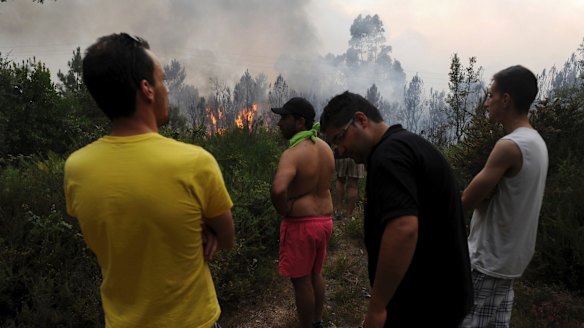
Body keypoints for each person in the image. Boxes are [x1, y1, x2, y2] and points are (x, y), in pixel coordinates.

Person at [64, 33, 235, 328]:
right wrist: (203, 228)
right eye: (163, 80)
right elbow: (228, 238)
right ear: (147, 89)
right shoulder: (194, 163)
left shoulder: (76, 168)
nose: (166, 88)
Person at [320, 91, 473, 327]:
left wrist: (378, 307)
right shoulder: (407, 145)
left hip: (425, 307)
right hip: (441, 298)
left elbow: (403, 228)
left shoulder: (389, 156)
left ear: (361, 120)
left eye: (340, 138)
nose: (339, 150)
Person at [460, 65, 548, 327]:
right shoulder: (537, 143)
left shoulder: (509, 146)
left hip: (488, 258)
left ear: (506, 99)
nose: (487, 103)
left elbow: (466, 200)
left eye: (491, 96)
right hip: (511, 260)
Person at [270, 97, 335, 328]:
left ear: (300, 122)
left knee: (301, 281)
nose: (279, 124)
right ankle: (317, 322)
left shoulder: (293, 153)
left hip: (302, 226)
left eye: (284, 118)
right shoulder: (326, 148)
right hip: (325, 221)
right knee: (316, 273)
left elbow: (278, 189)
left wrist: (284, 209)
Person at [334, 149, 365, 220]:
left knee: (340, 180)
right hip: (357, 156)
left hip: (341, 154)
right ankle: (349, 215)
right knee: (353, 184)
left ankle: (339, 211)